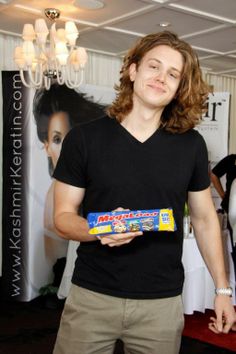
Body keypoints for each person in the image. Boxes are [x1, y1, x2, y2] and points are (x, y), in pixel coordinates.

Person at [52, 31, 235, 354]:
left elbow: (206, 219)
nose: (161, 78)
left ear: (179, 87)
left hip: (161, 304)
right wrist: (101, 228)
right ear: (133, 70)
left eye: (173, 74)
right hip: (92, 296)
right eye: (154, 66)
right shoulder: (83, 139)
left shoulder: (191, 145)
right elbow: (63, 219)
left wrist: (223, 290)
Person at [33, 83, 105, 263]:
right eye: (57, 139)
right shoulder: (55, 199)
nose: (68, 147)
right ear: (47, 146)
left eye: (72, 136)